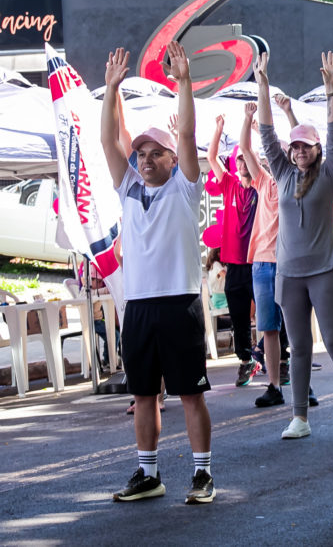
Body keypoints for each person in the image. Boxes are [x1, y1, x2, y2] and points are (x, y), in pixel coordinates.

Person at [102, 43, 215, 504]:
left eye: (156, 153)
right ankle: (148, 474)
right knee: (144, 395)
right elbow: (110, 142)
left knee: (190, 395)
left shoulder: (186, 189)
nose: (146, 159)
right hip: (139, 307)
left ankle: (202, 475)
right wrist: (111, 89)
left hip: (179, 302)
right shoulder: (129, 188)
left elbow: (186, 135)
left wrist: (184, 84)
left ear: (172, 159)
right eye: (141, 153)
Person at [255, 51, 333, 441]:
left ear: (317, 150)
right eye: (296, 147)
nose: (300, 151)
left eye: (307, 146)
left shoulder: (330, 172)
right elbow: (266, 134)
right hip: (288, 274)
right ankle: (299, 417)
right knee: (299, 349)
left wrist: (332, 89)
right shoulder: (282, 172)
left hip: (325, 271)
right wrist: (264, 84)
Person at [239, 88, 291, 407]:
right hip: (262, 262)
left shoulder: (295, 182)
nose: (273, 158)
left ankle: (302, 383)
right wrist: (247, 121)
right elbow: (244, 147)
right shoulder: (263, 181)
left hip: (289, 263)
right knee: (268, 327)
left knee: (295, 327)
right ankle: (274, 386)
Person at [207, 114, 261, 388]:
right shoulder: (228, 184)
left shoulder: (263, 187)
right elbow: (212, 157)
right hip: (234, 266)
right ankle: (246, 360)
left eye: (246, 158)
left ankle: (279, 357)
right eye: (239, 159)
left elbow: (262, 159)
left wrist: (254, 131)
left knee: (269, 313)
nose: (242, 163)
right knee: (239, 318)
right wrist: (218, 129)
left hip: (259, 262)